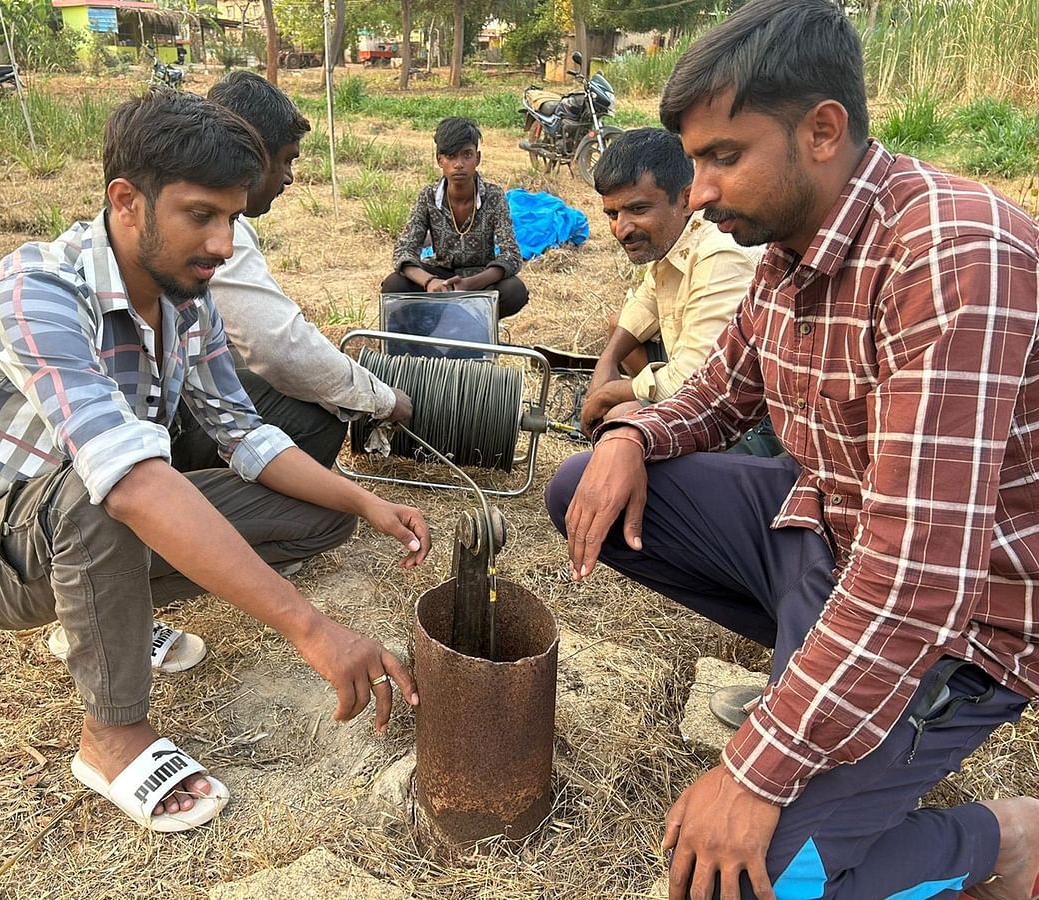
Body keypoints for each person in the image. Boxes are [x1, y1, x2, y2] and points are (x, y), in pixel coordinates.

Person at [545, 1, 1039, 898]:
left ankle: (1000, 843)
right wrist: (627, 433)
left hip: (962, 622)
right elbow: (714, 392)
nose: (697, 193)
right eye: (694, 162)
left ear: (822, 130)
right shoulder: (789, 247)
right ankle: (819, 685)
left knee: (751, 881)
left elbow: (923, 575)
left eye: (722, 158)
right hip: (833, 541)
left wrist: (757, 766)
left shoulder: (953, 254)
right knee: (584, 486)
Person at [0, 90, 432, 834]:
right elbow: (125, 481)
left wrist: (363, 503)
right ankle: (111, 738)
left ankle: (105, 614)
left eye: (233, 219)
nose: (223, 243)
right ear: (127, 201)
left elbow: (243, 433)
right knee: (107, 492)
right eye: (201, 216)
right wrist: (312, 629)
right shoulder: (34, 291)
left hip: (89, 520)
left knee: (319, 513)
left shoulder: (188, 300)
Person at [206, 71, 412, 469]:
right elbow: (277, 347)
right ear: (250, 154)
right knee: (317, 415)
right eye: (285, 160)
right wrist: (380, 398)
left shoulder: (216, 220)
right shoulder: (213, 232)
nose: (289, 177)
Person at [579, 128, 761, 435]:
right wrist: (606, 362)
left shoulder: (720, 252)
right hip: (697, 371)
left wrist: (610, 393)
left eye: (637, 209)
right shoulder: (674, 234)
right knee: (619, 328)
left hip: (742, 419)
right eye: (612, 213)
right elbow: (645, 303)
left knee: (622, 419)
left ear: (687, 199)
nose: (621, 230)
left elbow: (693, 381)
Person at [381, 116, 529, 319]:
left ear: (477, 158)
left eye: (466, 155)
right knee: (394, 285)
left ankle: (471, 327)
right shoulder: (428, 196)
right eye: (451, 156)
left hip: (478, 278)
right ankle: (428, 330)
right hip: (438, 275)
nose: (459, 164)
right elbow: (404, 249)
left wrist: (468, 285)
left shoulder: (494, 196)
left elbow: (511, 255)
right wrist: (429, 281)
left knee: (514, 291)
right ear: (439, 160)